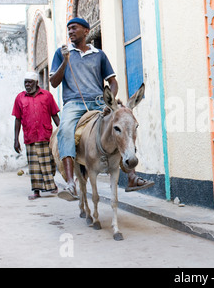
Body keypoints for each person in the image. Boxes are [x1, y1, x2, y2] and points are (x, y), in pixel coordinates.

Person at [49, 17, 153, 201]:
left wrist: (110, 102)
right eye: (69, 29)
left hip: (99, 102)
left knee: (123, 123)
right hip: (74, 103)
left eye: (74, 28)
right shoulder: (61, 53)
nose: (70, 32)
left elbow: (113, 82)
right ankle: (71, 183)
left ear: (86, 31)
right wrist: (65, 62)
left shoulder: (99, 54)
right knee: (64, 130)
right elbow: (54, 82)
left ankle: (131, 176)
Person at [12, 72, 61, 200]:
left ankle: (52, 186)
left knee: (48, 164)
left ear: (36, 83)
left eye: (30, 82)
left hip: (45, 136)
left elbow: (55, 115)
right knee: (34, 167)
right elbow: (17, 119)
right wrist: (15, 139)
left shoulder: (47, 96)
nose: (27, 85)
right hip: (30, 137)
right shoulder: (20, 98)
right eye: (25, 82)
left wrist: (62, 131)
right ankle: (36, 191)